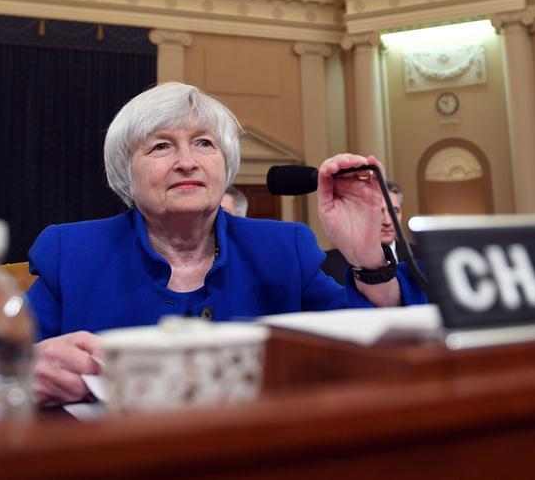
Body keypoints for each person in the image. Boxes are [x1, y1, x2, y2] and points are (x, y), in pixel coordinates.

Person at [28, 82, 427, 406]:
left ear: (226, 163)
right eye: (161, 146)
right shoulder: (72, 253)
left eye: (204, 143)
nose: (187, 161)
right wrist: (28, 368)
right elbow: (0, 362)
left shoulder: (282, 249)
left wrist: (368, 259)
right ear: (125, 171)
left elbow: (373, 350)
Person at [321, 180, 421, 285]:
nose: (387, 221)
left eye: (394, 211)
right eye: (378, 211)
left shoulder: (422, 258)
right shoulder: (330, 264)